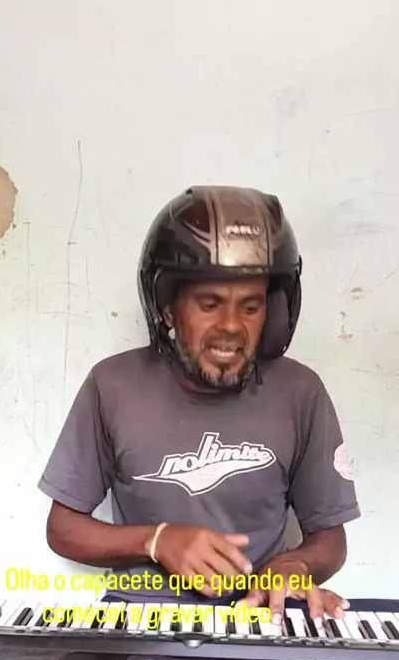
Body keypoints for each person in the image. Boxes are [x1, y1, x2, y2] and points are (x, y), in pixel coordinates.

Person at [38, 185, 360, 627]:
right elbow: (62, 529)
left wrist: (294, 565)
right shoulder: (111, 385)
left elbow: (330, 539)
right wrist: (157, 541)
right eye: (210, 304)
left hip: (259, 616)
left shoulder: (300, 393)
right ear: (168, 309)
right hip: (142, 618)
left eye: (251, 307)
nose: (231, 327)